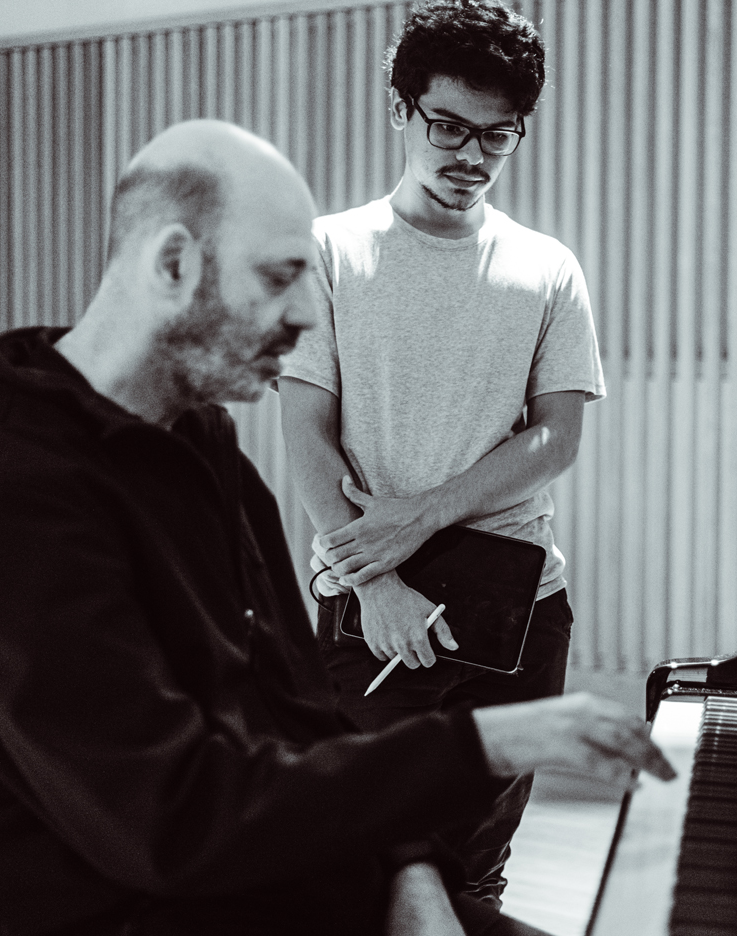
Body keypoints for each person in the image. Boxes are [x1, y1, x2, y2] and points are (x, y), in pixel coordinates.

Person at [0, 119, 672, 936]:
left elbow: (302, 715)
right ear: (174, 264)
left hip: (282, 881)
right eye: (280, 277)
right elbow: (174, 819)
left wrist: (409, 871)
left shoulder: (198, 440)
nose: (304, 317)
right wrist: (487, 743)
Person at [278, 0, 602, 905]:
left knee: (478, 868)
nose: (471, 156)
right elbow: (304, 430)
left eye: (497, 135)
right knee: (366, 867)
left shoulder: (547, 267)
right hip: (368, 602)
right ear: (400, 108)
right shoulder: (329, 251)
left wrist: (416, 518)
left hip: (518, 608)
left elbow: (556, 436)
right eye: (448, 126)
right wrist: (378, 582)